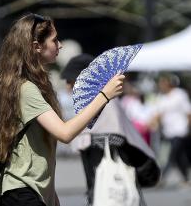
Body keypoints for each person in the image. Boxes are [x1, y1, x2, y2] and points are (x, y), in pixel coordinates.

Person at [0, 13, 125, 206]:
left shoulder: (36, 85)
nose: (60, 45)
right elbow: (65, 133)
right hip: (20, 193)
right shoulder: (26, 89)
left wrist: (51, 197)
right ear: (36, 47)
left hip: (33, 192)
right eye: (54, 40)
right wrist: (104, 95)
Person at [61, 54, 160, 206]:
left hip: (112, 185)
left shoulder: (104, 101)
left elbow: (115, 138)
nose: (68, 86)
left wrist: (91, 139)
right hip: (103, 186)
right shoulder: (93, 101)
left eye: (70, 81)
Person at [153, 73, 191, 184]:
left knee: (171, 154)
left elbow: (188, 112)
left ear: (169, 83)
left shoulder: (180, 95)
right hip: (168, 131)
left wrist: (188, 128)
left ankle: (161, 177)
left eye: (163, 83)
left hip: (180, 130)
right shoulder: (161, 97)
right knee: (179, 156)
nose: (161, 85)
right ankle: (186, 178)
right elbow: (158, 114)